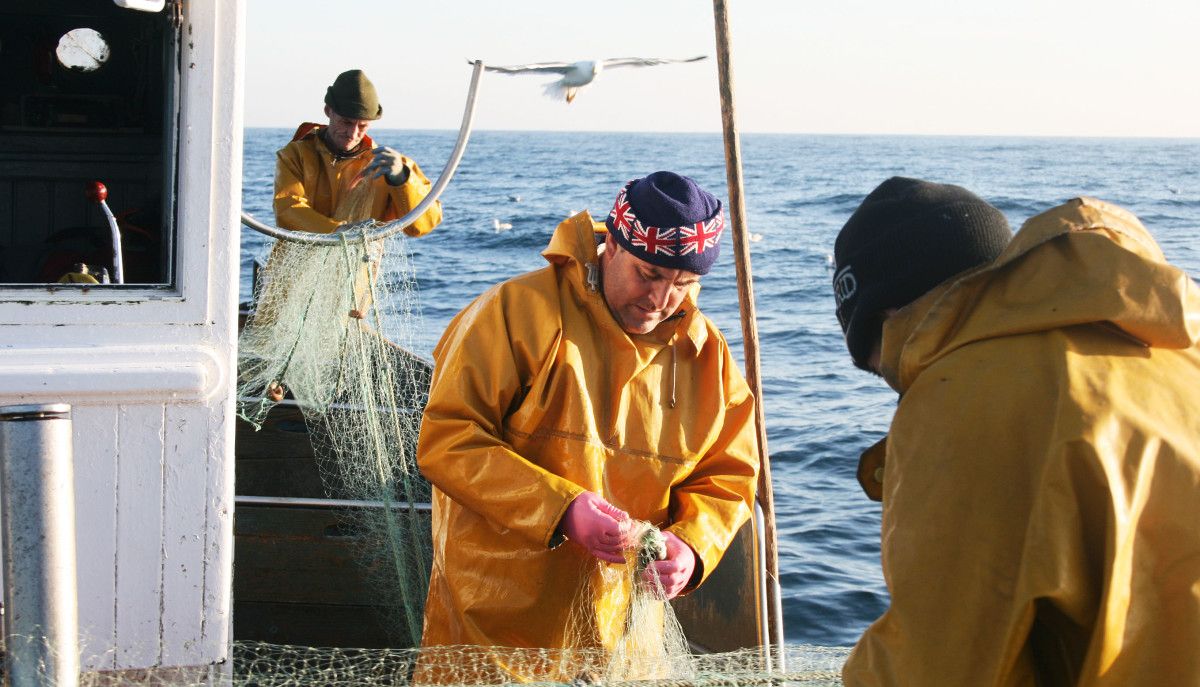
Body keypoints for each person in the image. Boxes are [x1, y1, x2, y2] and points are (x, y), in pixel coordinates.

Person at [831, 177, 1200, 685]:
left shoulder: (964, 400)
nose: (896, 383)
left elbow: (942, 666)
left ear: (893, 316)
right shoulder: (1176, 353)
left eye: (881, 361)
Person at [416, 171, 760, 654]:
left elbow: (730, 477)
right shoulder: (514, 312)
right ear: (612, 246)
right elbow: (447, 440)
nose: (661, 301)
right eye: (649, 274)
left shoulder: (709, 357)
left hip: (624, 639)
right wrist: (560, 510)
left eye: (683, 284)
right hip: (495, 629)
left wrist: (693, 546)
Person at [273, 69, 442, 236]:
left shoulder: (388, 166)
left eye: (362, 126)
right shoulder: (295, 155)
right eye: (346, 122)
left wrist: (403, 179)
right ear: (328, 111)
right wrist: (337, 231)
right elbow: (287, 209)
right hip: (300, 263)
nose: (352, 134)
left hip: (358, 264)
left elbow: (422, 226)